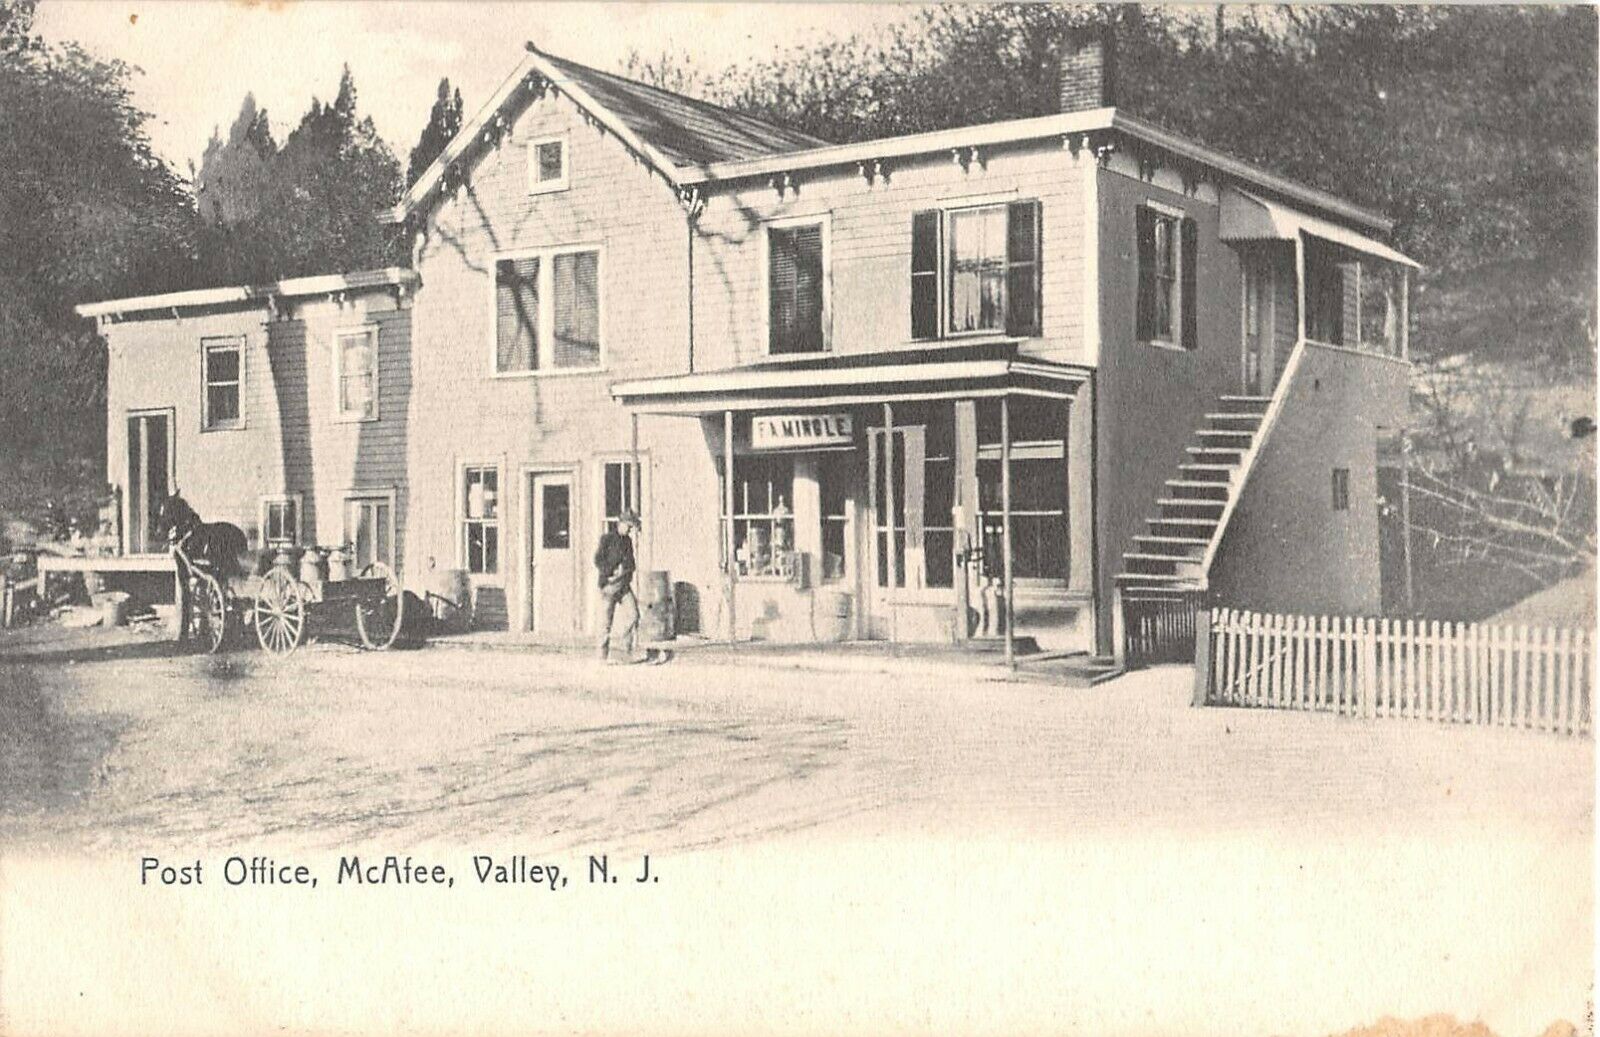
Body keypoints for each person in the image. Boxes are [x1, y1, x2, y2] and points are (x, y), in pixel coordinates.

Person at [594, 510, 640, 662]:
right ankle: (602, 656)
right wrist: (611, 571)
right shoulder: (607, 539)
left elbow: (632, 562)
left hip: (623, 586)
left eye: (631, 527)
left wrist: (626, 570)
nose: (629, 529)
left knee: (633, 615)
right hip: (608, 585)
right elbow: (598, 560)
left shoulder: (627, 541)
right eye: (628, 526)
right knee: (605, 622)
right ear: (620, 523)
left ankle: (623, 649)